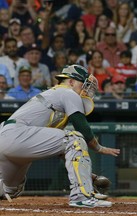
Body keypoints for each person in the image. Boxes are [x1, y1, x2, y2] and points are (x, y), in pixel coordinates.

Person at [0, 64, 120, 207]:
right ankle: (81, 197)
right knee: (75, 138)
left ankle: (84, 190)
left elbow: (63, 151)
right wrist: (98, 148)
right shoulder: (68, 92)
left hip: (9, 138)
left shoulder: (55, 100)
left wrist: (89, 177)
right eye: (83, 84)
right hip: (16, 134)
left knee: (11, 190)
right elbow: (82, 127)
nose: (85, 90)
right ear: (71, 81)